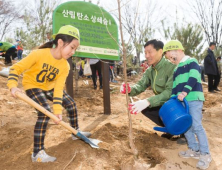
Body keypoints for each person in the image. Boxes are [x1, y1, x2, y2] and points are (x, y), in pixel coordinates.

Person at [7, 25, 91, 163]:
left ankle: (76, 132)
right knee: (45, 112)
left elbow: (58, 89)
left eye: (75, 49)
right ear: (60, 42)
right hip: (33, 85)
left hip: (50, 87)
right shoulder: (38, 54)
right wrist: (12, 86)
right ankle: (37, 153)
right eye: (72, 47)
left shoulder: (65, 66)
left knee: (70, 103)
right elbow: (16, 69)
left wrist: (57, 111)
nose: (73, 52)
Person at [164, 40, 211, 170]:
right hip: (181, 101)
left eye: (171, 57)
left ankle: (205, 154)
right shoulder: (176, 69)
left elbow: (194, 76)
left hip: (193, 98)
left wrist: (184, 91)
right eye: (169, 59)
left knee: (196, 125)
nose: (171, 60)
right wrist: (172, 99)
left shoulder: (192, 61)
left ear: (178, 50)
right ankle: (193, 149)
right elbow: (174, 87)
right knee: (187, 126)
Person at [120, 39, 176, 139]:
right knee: (146, 108)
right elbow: (141, 85)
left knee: (149, 104)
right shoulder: (150, 70)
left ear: (160, 52)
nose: (147, 56)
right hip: (163, 104)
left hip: (176, 103)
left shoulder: (171, 67)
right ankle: (171, 128)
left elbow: (169, 92)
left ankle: (183, 131)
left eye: (150, 52)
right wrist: (129, 89)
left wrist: (148, 101)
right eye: (145, 53)